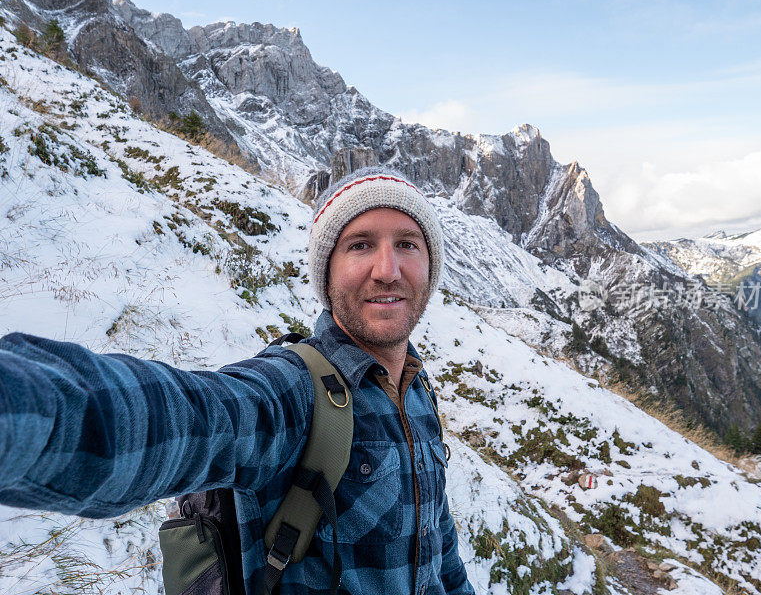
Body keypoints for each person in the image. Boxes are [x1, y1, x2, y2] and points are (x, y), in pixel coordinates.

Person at [0, 166, 475, 595]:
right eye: (360, 245)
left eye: (408, 244)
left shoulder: (415, 389)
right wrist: (24, 410)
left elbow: (440, 545)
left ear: (429, 268)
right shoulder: (293, 391)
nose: (388, 270)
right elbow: (183, 418)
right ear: (327, 273)